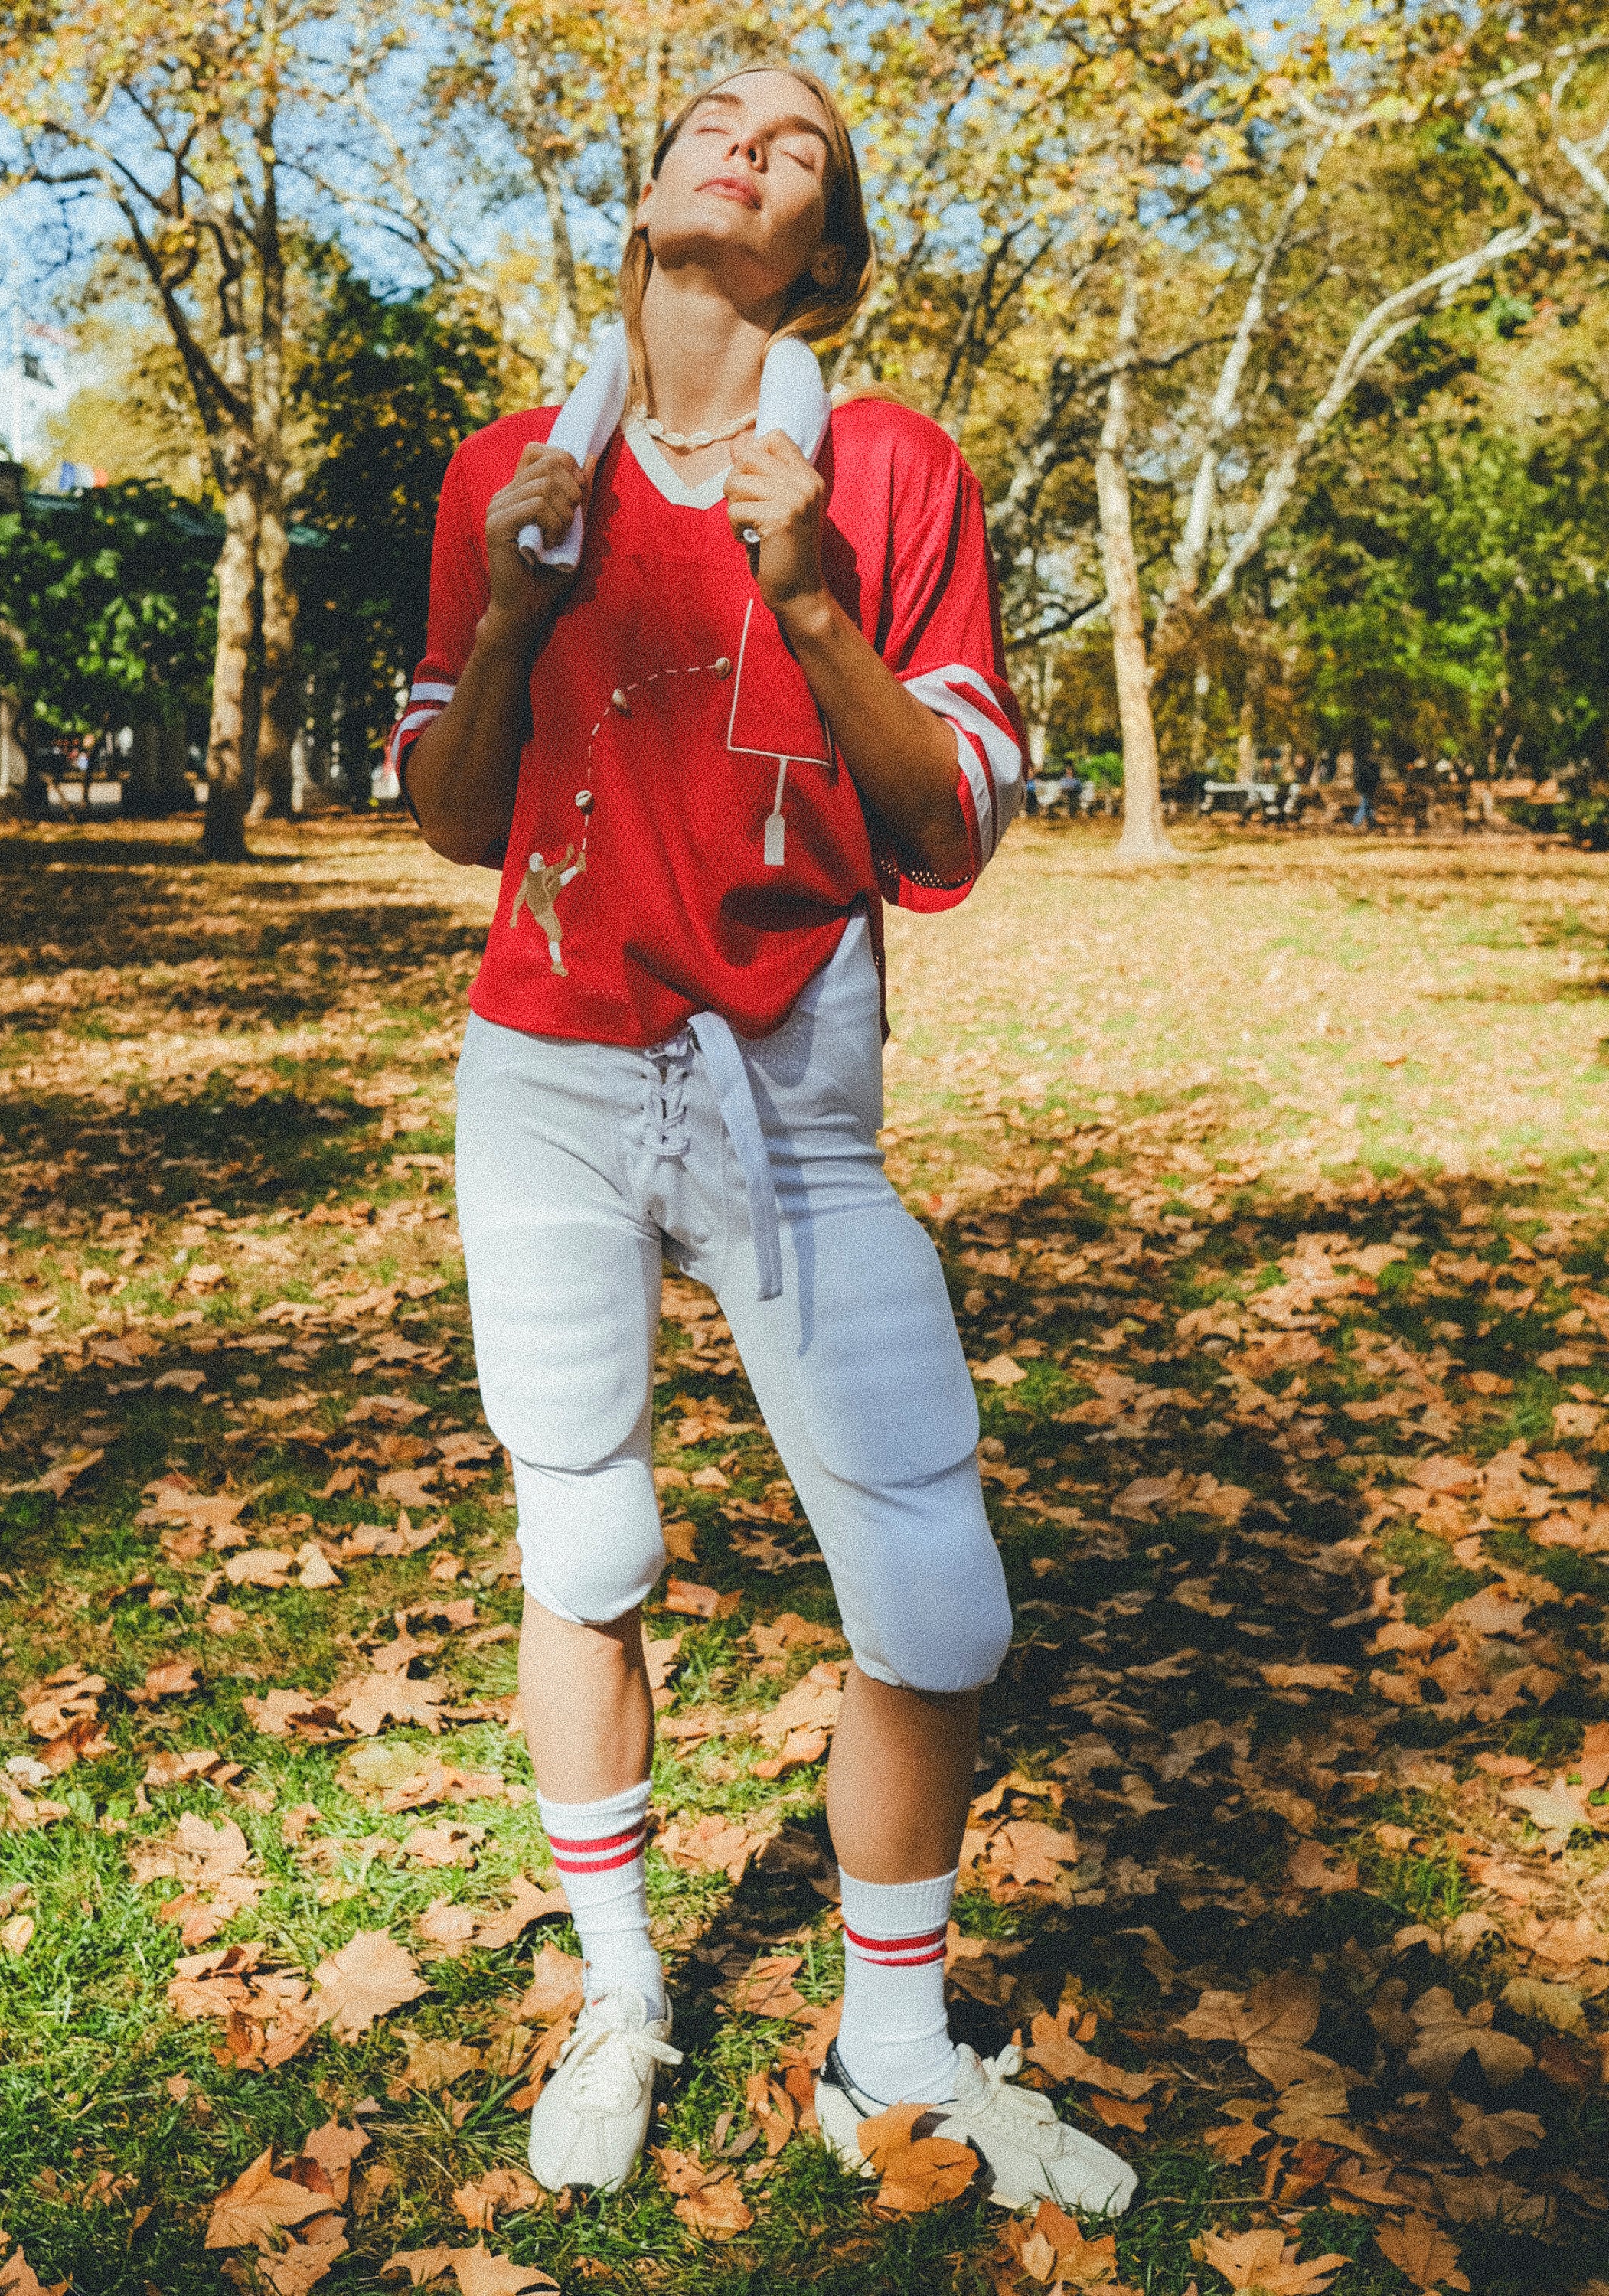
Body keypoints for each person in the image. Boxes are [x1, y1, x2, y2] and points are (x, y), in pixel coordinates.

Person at [392, 61, 1135, 2220]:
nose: (749, 138)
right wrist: (523, 604)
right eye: (719, 113)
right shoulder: (505, 472)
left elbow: (953, 826)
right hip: (545, 1062)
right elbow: (453, 819)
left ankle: (888, 2044)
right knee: (587, 1541)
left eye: (800, 144)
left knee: (937, 1592)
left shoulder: (892, 468)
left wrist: (814, 601)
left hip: (795, 1089)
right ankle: (624, 1987)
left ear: (829, 252)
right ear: (643, 198)